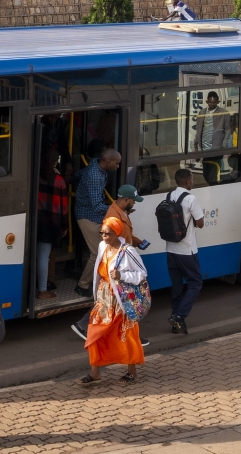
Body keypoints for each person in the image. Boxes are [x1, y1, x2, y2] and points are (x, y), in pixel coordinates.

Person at [72, 185, 150, 346]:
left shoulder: (120, 212)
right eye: (133, 201)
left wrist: (136, 241)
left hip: (118, 265)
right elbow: (116, 241)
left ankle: (84, 326)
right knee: (127, 302)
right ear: (126, 199)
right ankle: (128, 337)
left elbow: (124, 236)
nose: (134, 203)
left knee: (116, 303)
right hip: (118, 266)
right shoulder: (113, 216)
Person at [77, 216, 147, 385]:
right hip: (103, 300)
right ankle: (95, 373)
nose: (103, 236)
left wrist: (122, 275)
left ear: (116, 234)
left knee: (127, 335)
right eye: (102, 233)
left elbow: (142, 273)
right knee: (94, 334)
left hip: (122, 302)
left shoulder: (128, 251)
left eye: (107, 233)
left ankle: (132, 372)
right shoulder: (102, 246)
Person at [74, 148, 122, 297]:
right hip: (87, 215)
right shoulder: (95, 175)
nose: (118, 167)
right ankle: (82, 285)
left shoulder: (95, 164)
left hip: (92, 215)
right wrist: (118, 210)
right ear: (107, 162)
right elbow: (97, 206)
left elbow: (78, 175)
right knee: (98, 253)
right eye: (117, 163)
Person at [166, 168, 205, 334]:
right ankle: (180, 317)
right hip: (186, 249)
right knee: (196, 283)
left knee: (176, 286)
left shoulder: (168, 196)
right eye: (192, 180)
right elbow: (200, 223)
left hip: (170, 249)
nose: (193, 183)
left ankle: (176, 321)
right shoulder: (190, 198)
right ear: (188, 182)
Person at [37, 150, 68, 299]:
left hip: (36, 221)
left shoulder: (36, 177)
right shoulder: (59, 180)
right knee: (44, 256)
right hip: (51, 223)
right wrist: (64, 225)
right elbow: (63, 207)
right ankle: (42, 289)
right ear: (55, 163)